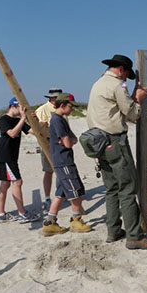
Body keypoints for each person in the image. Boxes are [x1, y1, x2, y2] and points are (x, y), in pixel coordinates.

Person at [87, 54, 147, 250]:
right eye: (126, 75)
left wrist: (132, 97)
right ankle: (134, 236)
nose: (126, 79)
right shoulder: (117, 86)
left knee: (111, 189)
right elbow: (133, 113)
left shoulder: (98, 84)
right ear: (121, 70)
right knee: (128, 188)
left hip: (98, 143)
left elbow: (112, 111)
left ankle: (113, 230)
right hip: (114, 142)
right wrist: (138, 98)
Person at [42, 93, 91, 235]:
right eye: (71, 106)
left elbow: (72, 138)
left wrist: (70, 140)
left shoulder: (61, 119)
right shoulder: (57, 120)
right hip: (64, 161)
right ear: (62, 105)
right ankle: (76, 220)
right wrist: (70, 140)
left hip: (62, 160)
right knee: (76, 191)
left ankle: (50, 222)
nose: (72, 109)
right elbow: (69, 143)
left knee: (60, 193)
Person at [0, 97, 41, 224]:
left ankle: (0, 215)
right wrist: (22, 118)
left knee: (5, 184)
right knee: (17, 182)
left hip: (10, 156)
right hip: (5, 156)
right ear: (13, 106)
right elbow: (12, 134)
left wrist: (34, 120)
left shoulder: (18, 120)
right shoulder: (4, 119)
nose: (23, 110)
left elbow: (34, 131)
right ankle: (22, 213)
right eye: (20, 108)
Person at [35, 87, 62, 212]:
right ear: (51, 98)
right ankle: (47, 197)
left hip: (61, 141)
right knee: (48, 171)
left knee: (61, 169)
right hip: (48, 142)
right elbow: (38, 128)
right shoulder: (42, 110)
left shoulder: (60, 108)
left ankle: (62, 193)